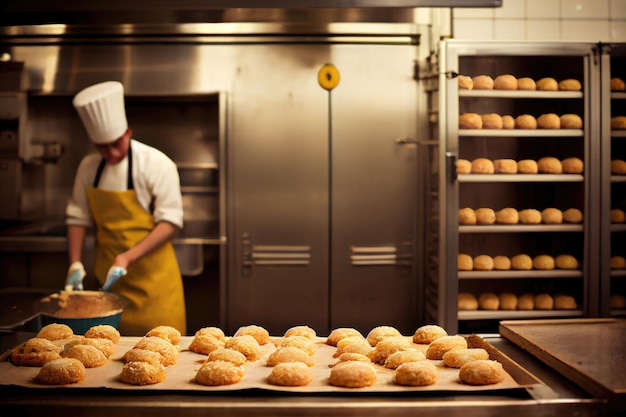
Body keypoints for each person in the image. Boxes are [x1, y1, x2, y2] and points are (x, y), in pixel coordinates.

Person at [65, 81, 186, 336]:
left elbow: (170, 223)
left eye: (115, 144)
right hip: (110, 287)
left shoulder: (156, 164)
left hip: (155, 284)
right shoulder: (88, 167)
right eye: (101, 146)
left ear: (128, 133)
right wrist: (74, 263)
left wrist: (127, 257)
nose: (110, 153)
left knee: (162, 353)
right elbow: (77, 216)